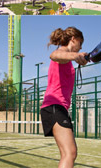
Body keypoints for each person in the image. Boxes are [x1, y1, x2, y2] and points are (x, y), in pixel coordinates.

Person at [40, 27, 88, 168]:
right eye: (80, 44)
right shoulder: (62, 53)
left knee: (68, 154)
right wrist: (75, 56)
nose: (80, 48)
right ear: (74, 39)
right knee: (70, 153)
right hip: (54, 106)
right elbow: (54, 55)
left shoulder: (67, 59)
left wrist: (75, 58)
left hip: (56, 108)